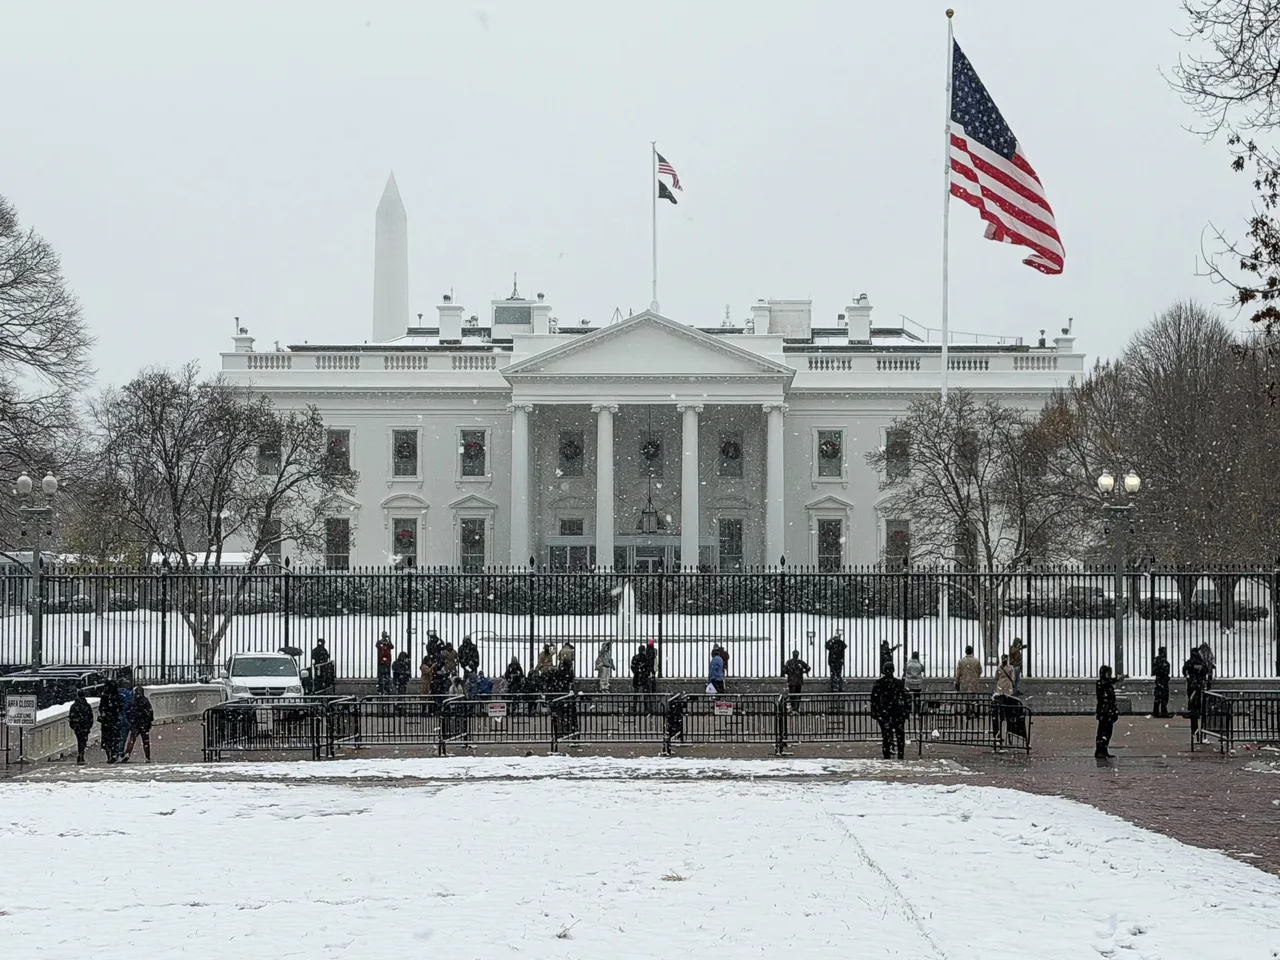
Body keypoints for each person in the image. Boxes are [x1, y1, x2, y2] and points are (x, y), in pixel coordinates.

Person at [870, 662, 910, 760]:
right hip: (897, 713)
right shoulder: (899, 683)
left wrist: (875, 712)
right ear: (893, 670)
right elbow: (905, 698)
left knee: (886, 736)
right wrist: (906, 711)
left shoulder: (879, 683)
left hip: (884, 713)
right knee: (900, 735)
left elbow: (874, 700)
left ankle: (887, 756)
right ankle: (900, 755)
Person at [1183, 646, 1209, 740]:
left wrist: (1188, 676)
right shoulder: (1201, 661)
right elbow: (1206, 671)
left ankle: (1193, 713)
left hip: (1192, 684)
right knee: (1198, 699)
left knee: (1192, 699)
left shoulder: (1190, 662)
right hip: (1199, 684)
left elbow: (1184, 670)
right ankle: (1197, 712)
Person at [122, 685, 154, 763]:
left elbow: (129, 712)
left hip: (135, 723)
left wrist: (131, 721)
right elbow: (150, 712)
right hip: (144, 724)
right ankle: (147, 756)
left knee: (132, 739)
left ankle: (127, 753)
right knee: (145, 741)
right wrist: (149, 721)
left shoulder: (133, 701)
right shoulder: (145, 701)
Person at [1095, 664, 1118, 759]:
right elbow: (1106, 683)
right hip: (1105, 711)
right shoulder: (1102, 683)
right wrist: (1116, 679)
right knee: (1103, 732)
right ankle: (1100, 750)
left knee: (1107, 732)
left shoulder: (1106, 684)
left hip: (1107, 711)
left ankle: (1103, 750)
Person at [97, 679, 123, 764]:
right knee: (114, 738)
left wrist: (105, 712)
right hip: (114, 720)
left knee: (107, 738)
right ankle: (113, 754)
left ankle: (110, 754)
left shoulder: (105, 696)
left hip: (107, 721)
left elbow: (101, 708)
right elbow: (120, 707)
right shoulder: (117, 696)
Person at [68, 690, 94, 765]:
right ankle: (81, 753)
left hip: (77, 727)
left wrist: (73, 726)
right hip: (85, 726)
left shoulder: (74, 706)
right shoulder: (87, 705)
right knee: (83, 740)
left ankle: (80, 754)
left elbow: (71, 717)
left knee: (79, 740)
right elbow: (90, 717)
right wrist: (89, 726)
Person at [903, 651, 925, 715]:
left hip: (909, 684)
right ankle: (917, 711)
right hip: (918, 684)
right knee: (917, 698)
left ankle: (909, 711)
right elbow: (923, 669)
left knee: (909, 698)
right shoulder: (919, 664)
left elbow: (904, 670)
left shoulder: (907, 664)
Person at [1152, 646, 1171, 718]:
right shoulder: (1161, 661)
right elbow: (1155, 670)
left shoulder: (1158, 660)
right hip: (1161, 679)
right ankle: (1161, 712)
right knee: (1162, 696)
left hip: (1161, 679)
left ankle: (1157, 712)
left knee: (1160, 696)